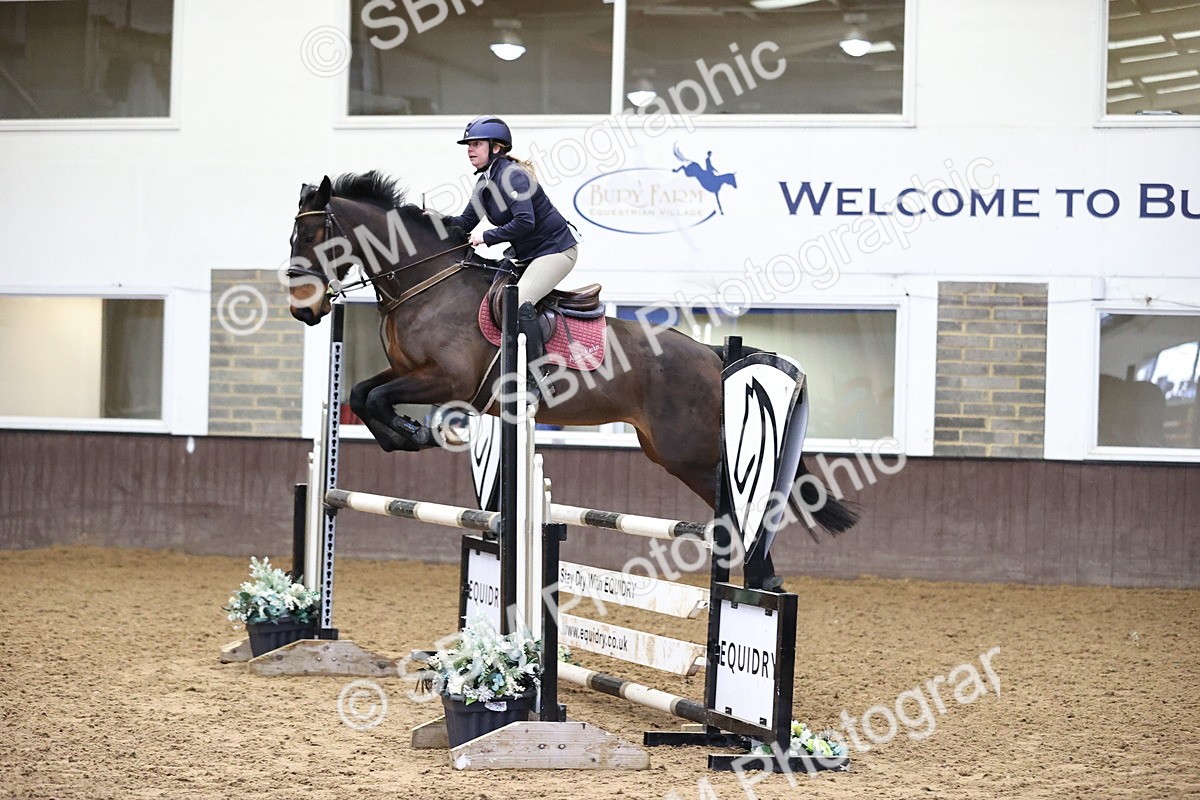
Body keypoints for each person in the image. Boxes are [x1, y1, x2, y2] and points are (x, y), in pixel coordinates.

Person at [439, 115, 580, 400]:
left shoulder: (513, 175)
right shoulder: (485, 183)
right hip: (526, 256)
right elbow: (465, 223)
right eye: (468, 145)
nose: (470, 150)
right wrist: (432, 223)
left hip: (555, 251)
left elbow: (525, 222)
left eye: (476, 144)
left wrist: (487, 237)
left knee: (520, 303)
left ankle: (537, 378)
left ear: (496, 147)